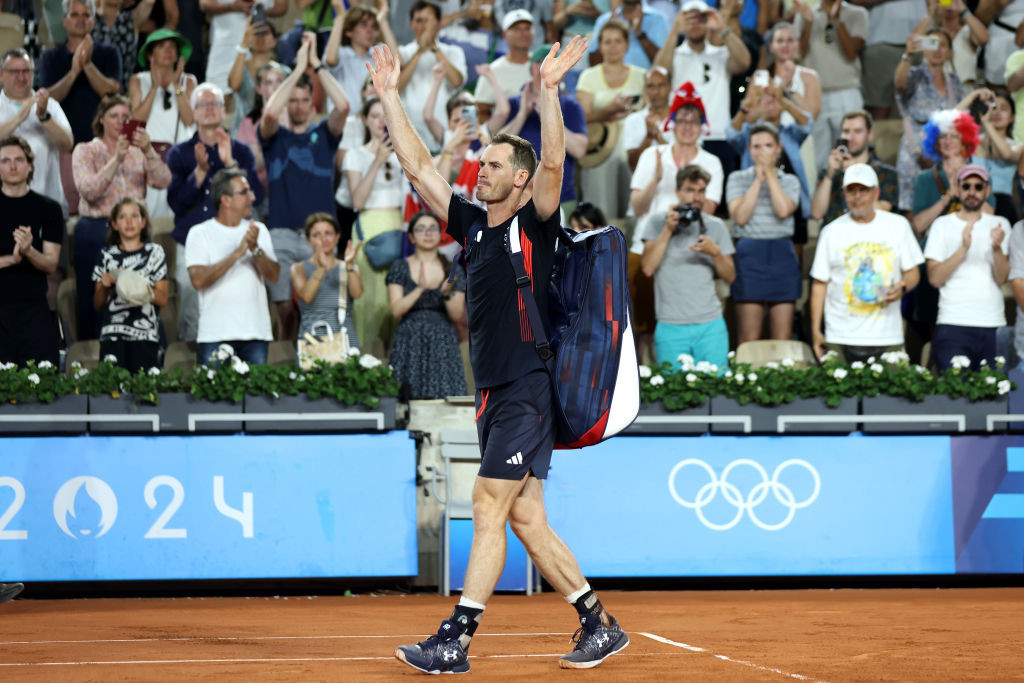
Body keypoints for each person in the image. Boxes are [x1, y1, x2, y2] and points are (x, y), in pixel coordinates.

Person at [368, 38, 629, 673]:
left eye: (491, 165)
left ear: (518, 176)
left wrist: (548, 91)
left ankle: (454, 639)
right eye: (478, 164)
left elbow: (554, 165)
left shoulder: (535, 220)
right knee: (528, 519)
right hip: (492, 389)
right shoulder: (473, 225)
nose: (478, 171)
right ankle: (598, 623)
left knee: (488, 503)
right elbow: (420, 166)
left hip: (527, 387)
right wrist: (390, 96)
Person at [259, 34, 349, 341]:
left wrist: (316, 66)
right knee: (285, 307)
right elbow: (270, 113)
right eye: (292, 100)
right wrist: (296, 71)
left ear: (312, 104)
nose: (297, 106)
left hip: (320, 236)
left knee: (321, 304)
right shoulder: (273, 138)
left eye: (303, 100)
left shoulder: (324, 133)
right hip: (282, 232)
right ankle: (287, 362)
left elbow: (344, 105)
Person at [167, 83, 262, 343]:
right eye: (203, 105)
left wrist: (231, 164)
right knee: (189, 298)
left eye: (215, 104)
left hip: (235, 239)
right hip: (192, 240)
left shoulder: (241, 151)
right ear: (194, 112)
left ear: (224, 110)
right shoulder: (179, 153)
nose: (209, 110)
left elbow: (258, 197)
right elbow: (176, 203)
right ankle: (191, 360)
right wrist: (199, 171)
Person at [72, 94, 171, 340]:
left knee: (140, 292)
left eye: (125, 116)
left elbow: (163, 180)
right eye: (113, 116)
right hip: (96, 228)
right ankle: (94, 349)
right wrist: (116, 158)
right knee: (94, 294)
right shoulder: (86, 150)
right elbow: (88, 190)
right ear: (101, 120)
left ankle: (146, 343)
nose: (119, 121)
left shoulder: (139, 153)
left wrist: (148, 150)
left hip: (135, 231)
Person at [809, 163, 924, 363]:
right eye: (852, 190)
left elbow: (913, 272)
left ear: (876, 193)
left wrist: (902, 287)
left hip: (887, 335)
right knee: (837, 393)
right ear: (844, 193)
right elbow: (819, 284)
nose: (857, 196)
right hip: (840, 335)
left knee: (895, 393)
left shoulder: (897, 226)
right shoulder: (831, 232)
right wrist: (815, 331)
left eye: (864, 190)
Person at [639, 164, 735, 368]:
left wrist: (715, 253)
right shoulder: (657, 223)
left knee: (716, 393)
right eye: (690, 190)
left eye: (701, 191)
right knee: (673, 397)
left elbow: (731, 276)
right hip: (670, 325)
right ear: (677, 192)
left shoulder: (716, 226)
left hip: (710, 325)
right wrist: (667, 230)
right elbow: (647, 268)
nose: (696, 197)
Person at [185, 168, 279, 366]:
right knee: (213, 397)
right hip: (215, 335)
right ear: (225, 200)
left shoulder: (259, 230)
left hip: (255, 333)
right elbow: (198, 280)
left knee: (255, 397)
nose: (252, 197)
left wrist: (255, 249)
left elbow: (273, 276)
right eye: (244, 192)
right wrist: (237, 253)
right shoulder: (199, 233)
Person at [924, 164, 1010, 370]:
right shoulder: (941, 225)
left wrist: (997, 249)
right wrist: (963, 249)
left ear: (987, 191)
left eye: (978, 187)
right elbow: (935, 278)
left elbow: (1002, 278)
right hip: (952, 323)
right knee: (955, 397)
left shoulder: (1000, 224)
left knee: (995, 398)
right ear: (958, 189)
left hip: (993, 324)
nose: (972, 192)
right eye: (967, 186)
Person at [653, 0, 751, 175]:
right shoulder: (674, 55)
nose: (695, 24)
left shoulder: (720, 55)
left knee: (719, 199)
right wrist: (674, 31)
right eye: (689, 19)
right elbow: (659, 71)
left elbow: (744, 62)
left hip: (717, 134)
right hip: (684, 136)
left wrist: (722, 29)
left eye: (701, 18)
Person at [726, 122, 802, 343]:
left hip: (781, 253)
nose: (762, 151)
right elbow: (740, 216)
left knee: (782, 337)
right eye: (757, 146)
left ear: (778, 148)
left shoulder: (790, 181)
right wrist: (758, 181)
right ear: (749, 149)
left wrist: (770, 174)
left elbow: (783, 210)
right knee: (749, 337)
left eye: (768, 145)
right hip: (750, 253)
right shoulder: (737, 178)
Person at [344, 95, 404, 352]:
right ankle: (368, 362)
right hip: (369, 227)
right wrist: (378, 159)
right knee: (370, 301)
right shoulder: (355, 155)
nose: (381, 122)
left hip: (400, 225)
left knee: (397, 298)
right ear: (366, 121)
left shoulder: (404, 153)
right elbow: (357, 200)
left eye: (385, 116)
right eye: (376, 116)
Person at [498, 46, 588, 216]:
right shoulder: (515, 103)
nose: (547, 68)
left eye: (556, 64)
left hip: (561, 197)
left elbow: (579, 150)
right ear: (532, 67)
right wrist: (521, 115)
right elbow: (497, 147)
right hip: (514, 198)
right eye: (542, 63)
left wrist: (547, 114)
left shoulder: (571, 106)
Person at [386, 211, 467, 398]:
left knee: (445, 397)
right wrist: (420, 289)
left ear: (440, 234)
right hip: (409, 338)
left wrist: (446, 293)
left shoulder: (452, 268)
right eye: (421, 229)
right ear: (412, 237)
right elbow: (396, 310)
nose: (428, 234)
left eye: (432, 229)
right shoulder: (400, 266)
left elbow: (456, 315)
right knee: (406, 400)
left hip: (442, 338)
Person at [0, 136, 63, 366]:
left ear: (29, 166)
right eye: (5, 161)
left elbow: (50, 264)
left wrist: (29, 251)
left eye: (19, 160)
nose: (13, 166)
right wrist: (12, 258)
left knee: (43, 385)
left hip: (34, 307)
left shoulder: (49, 209)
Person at [576, 20, 645, 218]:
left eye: (617, 41)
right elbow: (582, 117)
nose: (613, 47)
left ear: (626, 44)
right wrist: (608, 111)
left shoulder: (642, 76)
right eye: (607, 42)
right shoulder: (588, 76)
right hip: (600, 150)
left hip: (634, 147)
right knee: (601, 206)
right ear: (600, 45)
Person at [92, 197, 169, 372]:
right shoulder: (106, 255)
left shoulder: (154, 252)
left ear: (143, 222)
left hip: (145, 335)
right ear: (113, 224)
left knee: (144, 394)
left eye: (134, 216)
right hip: (112, 336)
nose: (129, 222)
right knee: (111, 396)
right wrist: (105, 286)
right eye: (122, 217)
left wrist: (136, 286)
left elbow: (163, 299)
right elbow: (97, 304)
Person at [129, 29, 198, 219]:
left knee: (179, 214)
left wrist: (177, 86)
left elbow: (189, 119)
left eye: (172, 47)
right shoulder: (137, 80)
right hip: (149, 157)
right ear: (150, 54)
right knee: (150, 215)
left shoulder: (188, 80)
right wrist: (154, 87)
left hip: (180, 158)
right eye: (162, 46)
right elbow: (137, 120)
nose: (168, 51)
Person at [894, 26, 965, 212]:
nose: (937, 50)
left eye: (943, 45)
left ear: (949, 52)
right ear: (924, 48)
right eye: (932, 44)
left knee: (945, 201)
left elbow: (960, 117)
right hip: (915, 148)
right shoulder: (914, 73)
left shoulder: (954, 81)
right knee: (911, 204)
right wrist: (907, 55)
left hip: (946, 150)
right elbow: (899, 84)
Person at [792, 0, 868, 172]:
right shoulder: (805, 14)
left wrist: (835, 20)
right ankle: (825, 195)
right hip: (815, 94)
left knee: (851, 152)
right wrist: (809, 23)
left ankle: (853, 192)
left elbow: (851, 52)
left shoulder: (857, 13)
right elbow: (799, 54)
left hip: (847, 91)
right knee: (821, 158)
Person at [0, 49, 74, 218]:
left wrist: (44, 117)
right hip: (4, 207)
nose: (21, 77)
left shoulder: (50, 105)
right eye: (14, 72)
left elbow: (67, 144)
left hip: (48, 203)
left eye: (26, 71)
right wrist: (19, 117)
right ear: (1, 75)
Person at [38, 0, 122, 146]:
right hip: (61, 142)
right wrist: (73, 73)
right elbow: (46, 98)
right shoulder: (49, 57)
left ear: (93, 21)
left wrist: (88, 65)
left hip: (101, 143)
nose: (81, 20)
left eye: (86, 15)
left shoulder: (110, 53)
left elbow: (111, 92)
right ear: (64, 21)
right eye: (75, 14)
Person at [398, 1, 468, 152]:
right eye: (418, 20)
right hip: (408, 135)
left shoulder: (453, 52)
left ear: (439, 23)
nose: (423, 26)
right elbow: (396, 86)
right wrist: (420, 51)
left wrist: (434, 48)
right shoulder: (403, 52)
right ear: (411, 24)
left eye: (428, 21)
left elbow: (456, 81)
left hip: (442, 134)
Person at [810, 109, 899, 227]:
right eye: (846, 131)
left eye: (857, 131)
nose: (850, 137)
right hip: (836, 238)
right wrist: (829, 175)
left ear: (870, 134)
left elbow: (882, 212)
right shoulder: (830, 172)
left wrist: (856, 172)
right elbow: (817, 214)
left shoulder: (886, 173)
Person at [291, 212, 362, 348]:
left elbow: (357, 293)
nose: (323, 239)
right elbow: (306, 296)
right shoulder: (298, 268)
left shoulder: (349, 267)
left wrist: (349, 266)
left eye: (328, 233)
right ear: (308, 240)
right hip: (312, 339)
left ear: (337, 237)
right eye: (316, 235)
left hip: (344, 338)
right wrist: (322, 268)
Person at [199, 0, 286, 99]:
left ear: (275, 40)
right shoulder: (245, 65)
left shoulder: (283, 70)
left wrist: (258, 10)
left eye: (267, 33)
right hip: (223, 44)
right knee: (217, 97)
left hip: (254, 45)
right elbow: (204, 4)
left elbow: (282, 7)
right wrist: (232, 6)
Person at [473, 9, 536, 123]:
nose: (523, 33)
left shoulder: (543, 65)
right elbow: (481, 111)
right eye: (516, 29)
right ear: (504, 34)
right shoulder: (493, 71)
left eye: (527, 28)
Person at [93, 0, 156, 92]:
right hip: (90, 96)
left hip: (122, 98)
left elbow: (149, 2)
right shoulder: (85, 19)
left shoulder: (132, 19)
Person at [588, 0, 667, 69]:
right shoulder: (604, 20)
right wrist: (610, 29)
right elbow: (594, 63)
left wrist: (640, 34)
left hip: (645, 83)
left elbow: (664, 63)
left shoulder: (658, 19)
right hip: (610, 81)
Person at [623, 65, 670, 172]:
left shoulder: (683, 120)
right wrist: (648, 137)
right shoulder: (633, 120)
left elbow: (685, 161)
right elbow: (632, 164)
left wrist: (659, 138)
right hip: (643, 183)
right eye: (651, 86)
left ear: (670, 87)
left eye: (661, 85)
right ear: (645, 89)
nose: (656, 91)